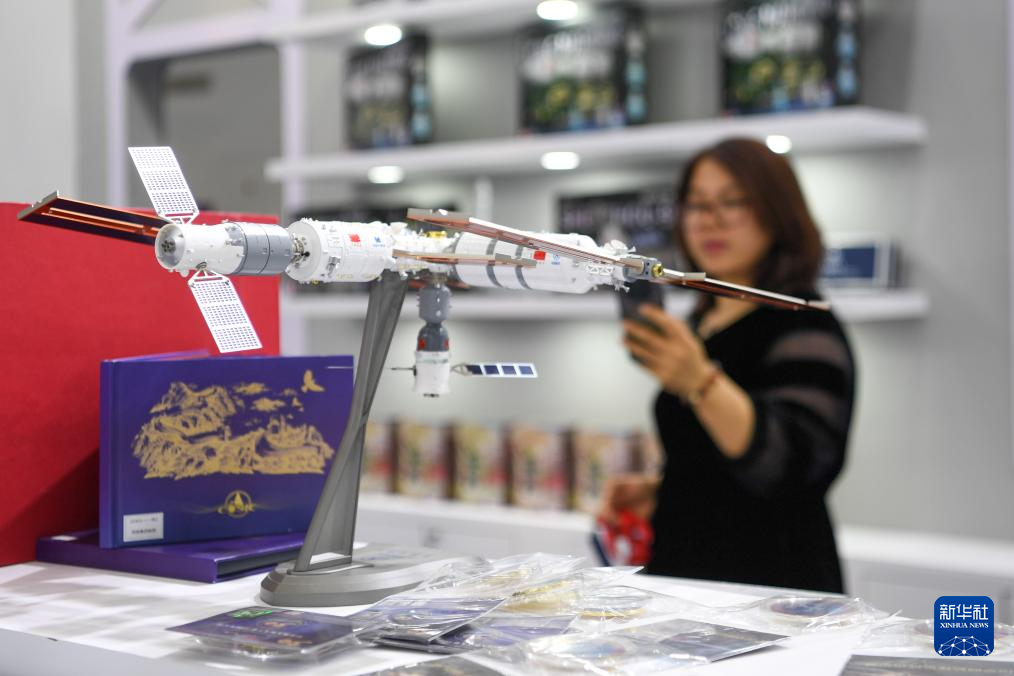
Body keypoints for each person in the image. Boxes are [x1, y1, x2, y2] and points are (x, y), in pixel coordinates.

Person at [601, 138, 856, 593]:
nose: (709, 220)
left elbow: (792, 468)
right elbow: (714, 469)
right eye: (697, 204)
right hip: (686, 578)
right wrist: (659, 492)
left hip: (773, 589)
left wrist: (700, 382)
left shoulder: (804, 323)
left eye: (733, 202)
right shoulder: (705, 320)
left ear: (777, 213)